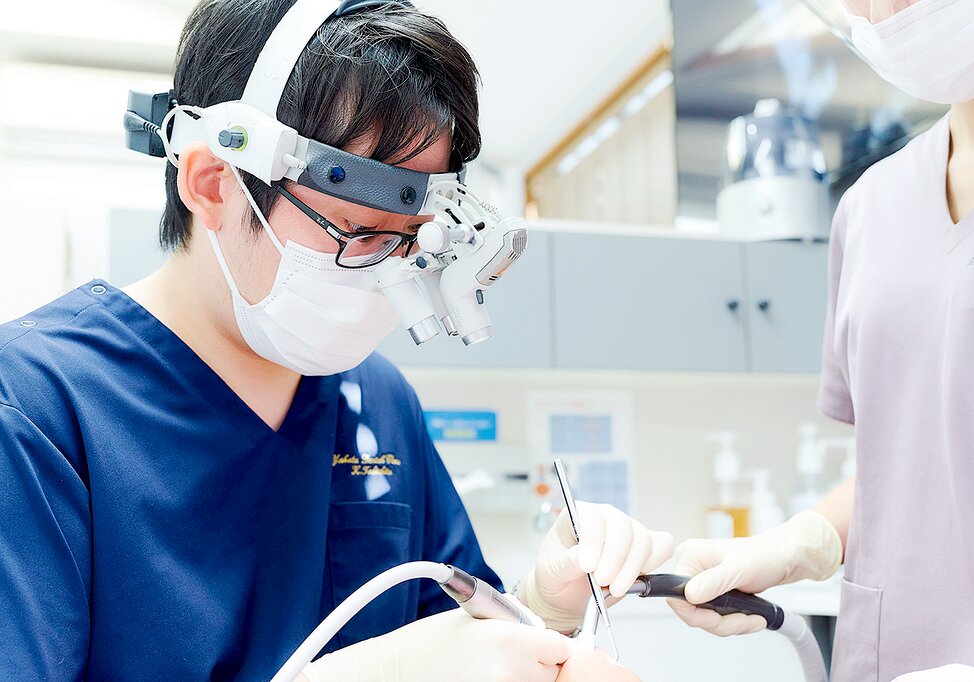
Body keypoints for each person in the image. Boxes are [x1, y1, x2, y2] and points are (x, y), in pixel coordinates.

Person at [0, 1, 673, 680]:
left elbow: (455, 640)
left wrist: (541, 607)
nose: (384, 273)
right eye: (358, 235)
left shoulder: (375, 397)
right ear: (214, 184)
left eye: (406, 243)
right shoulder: (35, 408)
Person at [667, 1, 974, 680]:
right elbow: (910, 466)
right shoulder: (870, 208)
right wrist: (793, 545)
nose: (879, 12)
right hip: (891, 653)